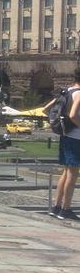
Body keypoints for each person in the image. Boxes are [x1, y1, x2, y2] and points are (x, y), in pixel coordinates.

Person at [48, 68, 80, 220]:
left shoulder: (66, 91)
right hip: (76, 137)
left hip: (65, 135)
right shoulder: (79, 93)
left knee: (66, 172)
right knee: (73, 173)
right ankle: (66, 209)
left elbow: (45, 109)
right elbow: (73, 114)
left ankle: (56, 207)